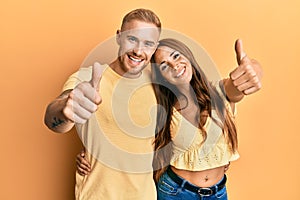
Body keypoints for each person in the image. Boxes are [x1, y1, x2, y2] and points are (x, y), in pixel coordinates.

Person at [76, 37, 262, 200]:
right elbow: (124, 134)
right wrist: (93, 155)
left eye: (176, 56)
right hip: (175, 192)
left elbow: (240, 85)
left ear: (188, 56)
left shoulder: (219, 93)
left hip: (218, 193)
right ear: (161, 77)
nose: (174, 65)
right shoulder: (162, 110)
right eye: (164, 65)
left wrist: (253, 70)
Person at [44, 8, 161, 200]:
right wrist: (67, 110)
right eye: (132, 39)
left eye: (148, 44)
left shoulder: (159, 85)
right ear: (118, 37)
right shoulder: (86, 78)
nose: (139, 51)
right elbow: (52, 118)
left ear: (155, 47)